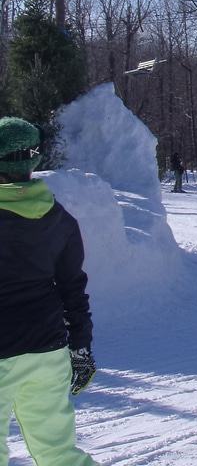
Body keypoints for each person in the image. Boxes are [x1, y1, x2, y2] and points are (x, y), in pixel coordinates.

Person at [0, 117, 99, 466]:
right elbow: (74, 288)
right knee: (58, 453)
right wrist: (81, 346)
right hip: (48, 350)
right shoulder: (60, 219)